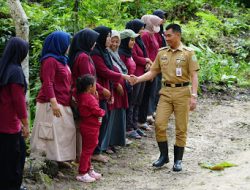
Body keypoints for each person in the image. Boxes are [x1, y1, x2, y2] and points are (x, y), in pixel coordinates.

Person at [131, 24, 199, 171]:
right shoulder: (161, 53)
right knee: (159, 124)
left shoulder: (189, 53)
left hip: (183, 93)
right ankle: (164, 156)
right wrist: (137, 79)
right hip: (166, 92)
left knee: (181, 128)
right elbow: (152, 72)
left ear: (178, 35)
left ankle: (178, 160)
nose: (166, 38)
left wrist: (194, 95)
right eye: (165, 36)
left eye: (169, 35)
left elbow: (194, 75)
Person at [30, 31, 76, 163]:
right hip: (50, 103)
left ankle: (59, 160)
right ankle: (44, 162)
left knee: (63, 132)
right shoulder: (50, 60)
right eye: (67, 43)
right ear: (59, 44)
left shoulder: (63, 60)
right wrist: (53, 102)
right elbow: (47, 82)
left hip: (63, 100)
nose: (68, 46)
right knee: (47, 133)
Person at [91, 26, 131, 162]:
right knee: (101, 120)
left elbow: (109, 69)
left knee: (105, 118)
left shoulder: (104, 52)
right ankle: (96, 151)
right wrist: (123, 77)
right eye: (108, 36)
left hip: (106, 90)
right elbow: (104, 71)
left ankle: (98, 149)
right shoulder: (96, 53)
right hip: (99, 91)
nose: (109, 39)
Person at [68, 28, 109, 162]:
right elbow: (88, 78)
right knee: (90, 124)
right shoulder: (83, 57)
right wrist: (101, 89)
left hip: (86, 93)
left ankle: (82, 156)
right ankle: (87, 156)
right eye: (92, 41)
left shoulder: (83, 55)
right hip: (86, 94)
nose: (95, 44)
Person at [0, 37, 29, 190]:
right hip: (10, 125)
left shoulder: (3, 67)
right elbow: (19, 102)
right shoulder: (16, 72)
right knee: (15, 158)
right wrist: (25, 124)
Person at [126, 19, 154, 136]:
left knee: (138, 100)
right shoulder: (131, 41)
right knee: (133, 101)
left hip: (142, 72)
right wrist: (146, 60)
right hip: (136, 73)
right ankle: (129, 126)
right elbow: (135, 56)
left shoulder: (139, 40)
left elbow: (144, 54)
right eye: (141, 29)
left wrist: (147, 63)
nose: (142, 31)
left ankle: (135, 123)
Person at [76, 74, 105, 183]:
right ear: (90, 87)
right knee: (88, 150)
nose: (96, 87)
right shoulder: (89, 98)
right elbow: (97, 110)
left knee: (88, 149)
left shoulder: (83, 96)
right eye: (95, 85)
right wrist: (103, 112)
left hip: (88, 126)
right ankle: (82, 172)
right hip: (90, 128)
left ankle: (88, 170)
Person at [138, 15, 163, 129]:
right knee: (145, 95)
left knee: (150, 93)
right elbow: (145, 52)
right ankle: (141, 120)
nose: (158, 26)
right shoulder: (145, 35)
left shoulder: (153, 34)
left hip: (154, 66)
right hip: (148, 68)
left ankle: (144, 118)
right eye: (156, 24)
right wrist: (150, 66)